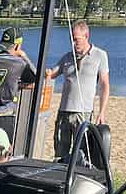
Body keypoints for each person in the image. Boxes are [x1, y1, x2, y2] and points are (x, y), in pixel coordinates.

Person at [45, 20, 110, 162]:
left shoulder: (100, 55)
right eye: (71, 40)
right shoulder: (67, 57)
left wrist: (102, 112)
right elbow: (51, 73)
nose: (73, 44)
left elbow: (104, 85)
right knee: (60, 154)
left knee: (81, 154)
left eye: (76, 40)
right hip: (64, 113)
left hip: (84, 113)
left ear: (86, 36)